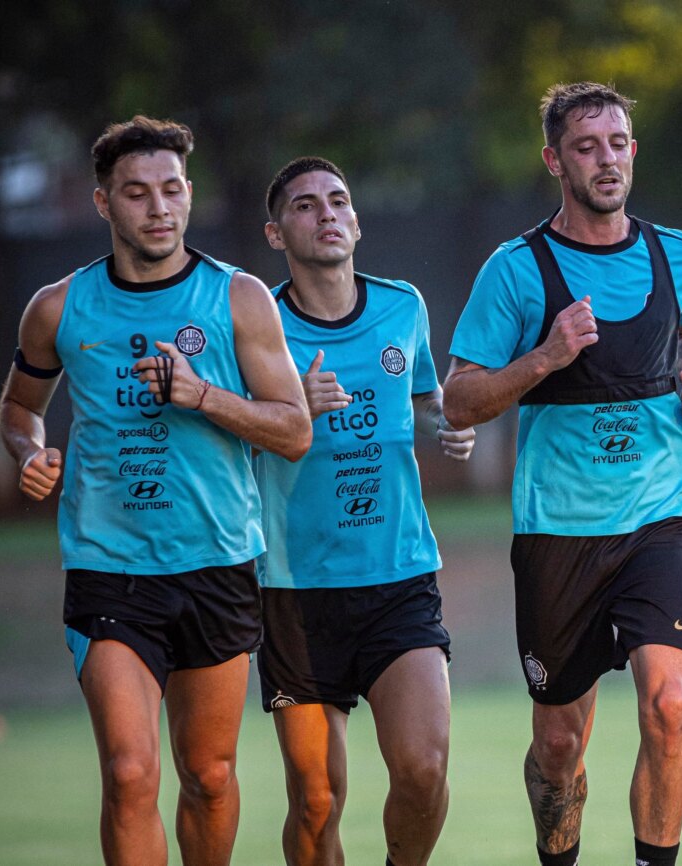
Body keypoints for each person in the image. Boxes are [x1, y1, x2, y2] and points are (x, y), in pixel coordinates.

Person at [0, 116, 312, 866]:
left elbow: (294, 430)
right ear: (104, 203)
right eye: (137, 194)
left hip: (218, 563)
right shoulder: (58, 307)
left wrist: (201, 396)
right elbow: (18, 408)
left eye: (171, 191)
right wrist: (29, 449)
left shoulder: (237, 298)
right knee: (130, 773)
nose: (159, 208)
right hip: (109, 566)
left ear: (190, 196)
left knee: (209, 776)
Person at [442, 81, 682, 866]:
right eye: (587, 145)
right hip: (559, 531)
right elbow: (460, 401)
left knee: (669, 706)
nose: (607, 158)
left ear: (635, 150)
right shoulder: (517, 269)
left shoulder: (680, 254)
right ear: (554, 160)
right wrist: (548, 355)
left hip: (658, 516)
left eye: (619, 142)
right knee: (561, 741)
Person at [257, 156, 475, 866]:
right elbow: (226, 434)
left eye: (338, 201)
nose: (326, 214)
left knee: (423, 769)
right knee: (317, 801)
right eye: (305, 205)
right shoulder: (255, 325)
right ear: (275, 232)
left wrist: (451, 417)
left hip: (398, 578)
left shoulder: (401, 306)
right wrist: (291, 412)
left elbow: (424, 395)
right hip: (295, 590)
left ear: (356, 220)